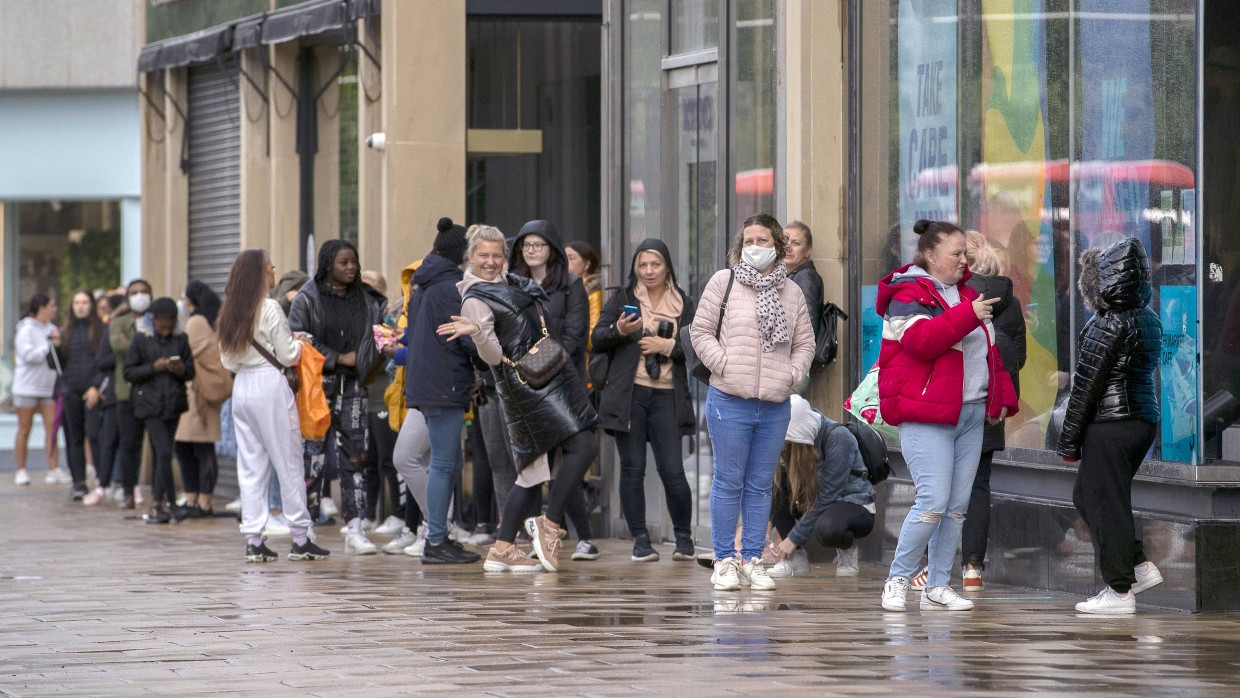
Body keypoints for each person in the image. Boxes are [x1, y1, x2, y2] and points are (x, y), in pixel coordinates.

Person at [876, 219, 1018, 613]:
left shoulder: (965, 294)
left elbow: (989, 353)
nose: (963, 259)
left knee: (956, 506)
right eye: (955, 253)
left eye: (964, 253)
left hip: (971, 413)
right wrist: (969, 314)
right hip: (926, 414)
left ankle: (938, 584)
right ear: (931, 254)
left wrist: (1000, 398)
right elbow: (922, 342)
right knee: (932, 502)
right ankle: (898, 579)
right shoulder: (908, 292)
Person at [439, 225, 600, 573]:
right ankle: (550, 524)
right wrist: (479, 333)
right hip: (526, 389)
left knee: (532, 470)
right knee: (582, 446)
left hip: (545, 380)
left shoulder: (509, 283)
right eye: (483, 255)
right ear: (470, 257)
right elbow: (494, 358)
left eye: (497, 255)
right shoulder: (475, 297)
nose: (491, 261)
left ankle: (501, 547)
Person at [690, 213, 816, 592]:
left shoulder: (791, 292)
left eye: (763, 240)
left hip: (774, 403)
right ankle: (725, 559)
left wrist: (791, 375)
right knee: (729, 481)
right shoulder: (723, 282)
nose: (754, 247)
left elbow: (805, 342)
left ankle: (752, 559)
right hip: (729, 399)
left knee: (761, 485)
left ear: (777, 246)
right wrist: (725, 366)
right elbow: (700, 331)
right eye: (749, 241)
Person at [1057, 238, 1163, 615]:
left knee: (1104, 503)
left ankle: (1119, 590)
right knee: (1090, 498)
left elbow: (1085, 388)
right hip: (1138, 421)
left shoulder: (1106, 324)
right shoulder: (1146, 317)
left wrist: (1068, 442)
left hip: (1110, 424)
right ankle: (1137, 565)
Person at [219, 249, 329, 562]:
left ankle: (254, 539)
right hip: (271, 384)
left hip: (242, 387)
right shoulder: (269, 308)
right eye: (270, 268)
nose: (273, 273)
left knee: (251, 465)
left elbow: (227, 359)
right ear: (258, 274)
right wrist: (301, 342)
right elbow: (288, 355)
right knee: (288, 460)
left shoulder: (229, 311)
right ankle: (300, 537)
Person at [591, 238, 697, 562]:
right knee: (632, 468)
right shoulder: (623, 298)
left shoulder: (684, 303)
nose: (649, 271)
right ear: (635, 268)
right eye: (643, 265)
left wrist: (667, 347)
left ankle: (683, 538)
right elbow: (597, 338)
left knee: (672, 470)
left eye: (656, 265)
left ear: (668, 268)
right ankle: (641, 539)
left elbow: (698, 345)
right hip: (630, 395)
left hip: (668, 394)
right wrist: (620, 329)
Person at [289, 239, 388, 554]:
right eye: (343, 262)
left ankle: (356, 528)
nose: (351, 268)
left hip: (354, 387)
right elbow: (298, 339)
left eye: (354, 262)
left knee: (355, 458)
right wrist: (336, 357)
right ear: (327, 263)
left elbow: (378, 336)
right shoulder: (307, 298)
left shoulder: (369, 301)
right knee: (312, 458)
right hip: (316, 388)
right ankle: (306, 529)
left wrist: (360, 360)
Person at [391, 217, 480, 564]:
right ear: (463, 253)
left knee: (450, 461)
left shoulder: (423, 285)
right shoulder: (451, 287)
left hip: (427, 384)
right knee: (443, 464)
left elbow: (414, 338)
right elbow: (464, 337)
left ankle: (441, 534)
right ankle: (437, 540)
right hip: (445, 384)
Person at [508, 220, 597, 556]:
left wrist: (540, 362)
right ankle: (538, 534)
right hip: (525, 386)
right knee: (542, 463)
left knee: (574, 453)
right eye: (526, 245)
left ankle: (560, 531)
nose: (532, 251)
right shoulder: (512, 285)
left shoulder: (571, 285)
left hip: (563, 382)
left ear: (553, 249)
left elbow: (576, 336)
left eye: (539, 245)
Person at [958, 231, 1026, 591]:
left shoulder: (955, 295)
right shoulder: (1010, 302)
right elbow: (1021, 356)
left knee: (938, 484)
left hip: (952, 402)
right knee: (979, 484)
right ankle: (972, 568)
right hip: (991, 405)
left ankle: (932, 565)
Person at [768, 395, 876, 578]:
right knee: (775, 486)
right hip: (819, 500)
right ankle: (796, 558)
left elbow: (828, 496)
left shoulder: (838, 438)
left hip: (853, 503)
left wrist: (793, 538)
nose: (785, 446)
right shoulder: (793, 442)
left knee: (828, 528)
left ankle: (847, 551)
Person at [124, 298, 195, 524]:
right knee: (164, 453)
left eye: (169, 326)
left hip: (173, 403)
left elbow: (191, 371)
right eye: (160, 326)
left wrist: (179, 368)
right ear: (152, 321)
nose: (164, 332)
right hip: (149, 405)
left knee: (162, 455)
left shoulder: (181, 338)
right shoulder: (140, 338)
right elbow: (129, 372)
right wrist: (153, 367)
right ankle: (172, 504)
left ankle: (157, 504)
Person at [172, 281, 226, 520]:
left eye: (184, 298)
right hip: (199, 395)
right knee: (194, 447)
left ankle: (201, 502)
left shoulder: (195, 322)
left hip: (197, 396)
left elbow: (184, 354)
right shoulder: (207, 319)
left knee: (194, 448)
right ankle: (196, 500)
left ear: (190, 300)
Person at [54, 289, 113, 500]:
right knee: (74, 437)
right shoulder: (65, 331)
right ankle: (78, 482)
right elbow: (56, 365)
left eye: (84, 302)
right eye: (76, 302)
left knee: (96, 435)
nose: (80, 306)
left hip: (92, 390)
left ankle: (101, 480)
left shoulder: (101, 329)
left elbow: (107, 361)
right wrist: (55, 347)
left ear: (91, 305)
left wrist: (96, 386)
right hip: (70, 390)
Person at [12, 293, 69, 487]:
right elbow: (28, 355)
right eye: (52, 306)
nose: (55, 309)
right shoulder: (26, 328)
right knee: (24, 428)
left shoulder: (53, 329)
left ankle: (53, 469)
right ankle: (21, 470)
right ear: (41, 307)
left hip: (48, 387)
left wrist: (56, 344)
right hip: (26, 387)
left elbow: (58, 355)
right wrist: (49, 345)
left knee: (51, 428)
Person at [110, 280, 154, 509]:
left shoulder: (158, 318)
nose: (139, 296)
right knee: (129, 444)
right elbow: (118, 346)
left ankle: (160, 494)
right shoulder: (120, 322)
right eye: (134, 293)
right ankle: (128, 491)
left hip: (154, 392)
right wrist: (142, 343)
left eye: (143, 292)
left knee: (158, 445)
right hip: (126, 393)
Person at [784, 221, 824, 339]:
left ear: (808, 251)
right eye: (784, 241)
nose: (788, 247)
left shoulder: (806, 277)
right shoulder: (793, 276)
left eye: (795, 243)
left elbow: (808, 327)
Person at [565, 241, 603, 351]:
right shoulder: (560, 289)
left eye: (571, 258)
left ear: (587, 264)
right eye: (563, 257)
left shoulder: (593, 293)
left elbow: (592, 338)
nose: (565, 262)